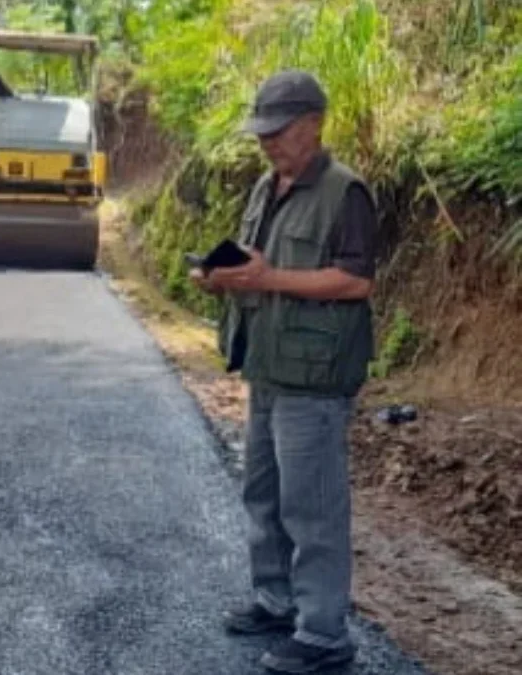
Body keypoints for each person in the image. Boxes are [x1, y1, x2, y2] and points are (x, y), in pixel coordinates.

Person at [191, 69, 377, 674]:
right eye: (262, 132)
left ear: (314, 124)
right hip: (267, 365)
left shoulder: (346, 193)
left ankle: (324, 634)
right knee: (263, 494)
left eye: (279, 131)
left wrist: (267, 278)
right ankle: (276, 599)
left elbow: (355, 280)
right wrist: (216, 274)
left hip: (315, 377)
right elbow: (251, 261)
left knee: (312, 505)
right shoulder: (265, 188)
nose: (267, 142)